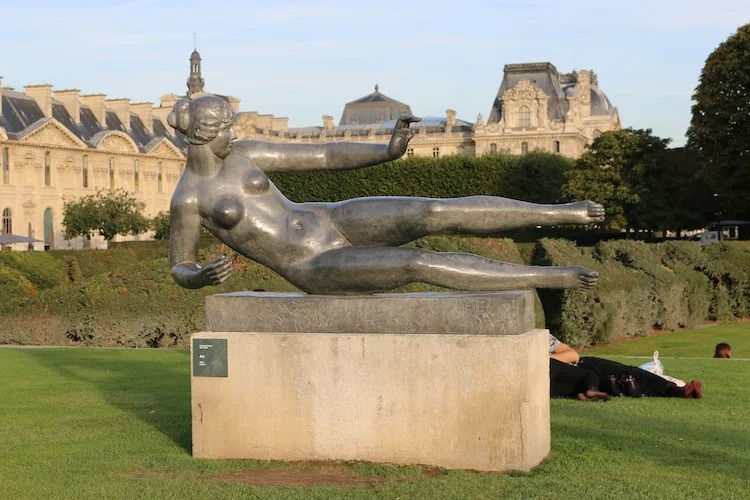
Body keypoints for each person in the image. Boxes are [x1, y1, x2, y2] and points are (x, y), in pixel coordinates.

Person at [168, 95, 605, 295]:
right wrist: (198, 276)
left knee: (435, 209)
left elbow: (321, 154)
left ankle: (561, 212)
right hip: (312, 264)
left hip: (331, 218)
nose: (233, 133)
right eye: (225, 128)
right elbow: (180, 265)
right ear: (201, 136)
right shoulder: (189, 199)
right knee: (419, 262)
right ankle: (553, 277)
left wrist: (387, 151)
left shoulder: (244, 153)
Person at [548, 333, 703, 399]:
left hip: (582, 364)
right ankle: (679, 392)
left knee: (629, 373)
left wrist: (547, 358)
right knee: (625, 384)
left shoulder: (542, 338)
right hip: (574, 375)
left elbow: (573, 355)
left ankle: (675, 390)